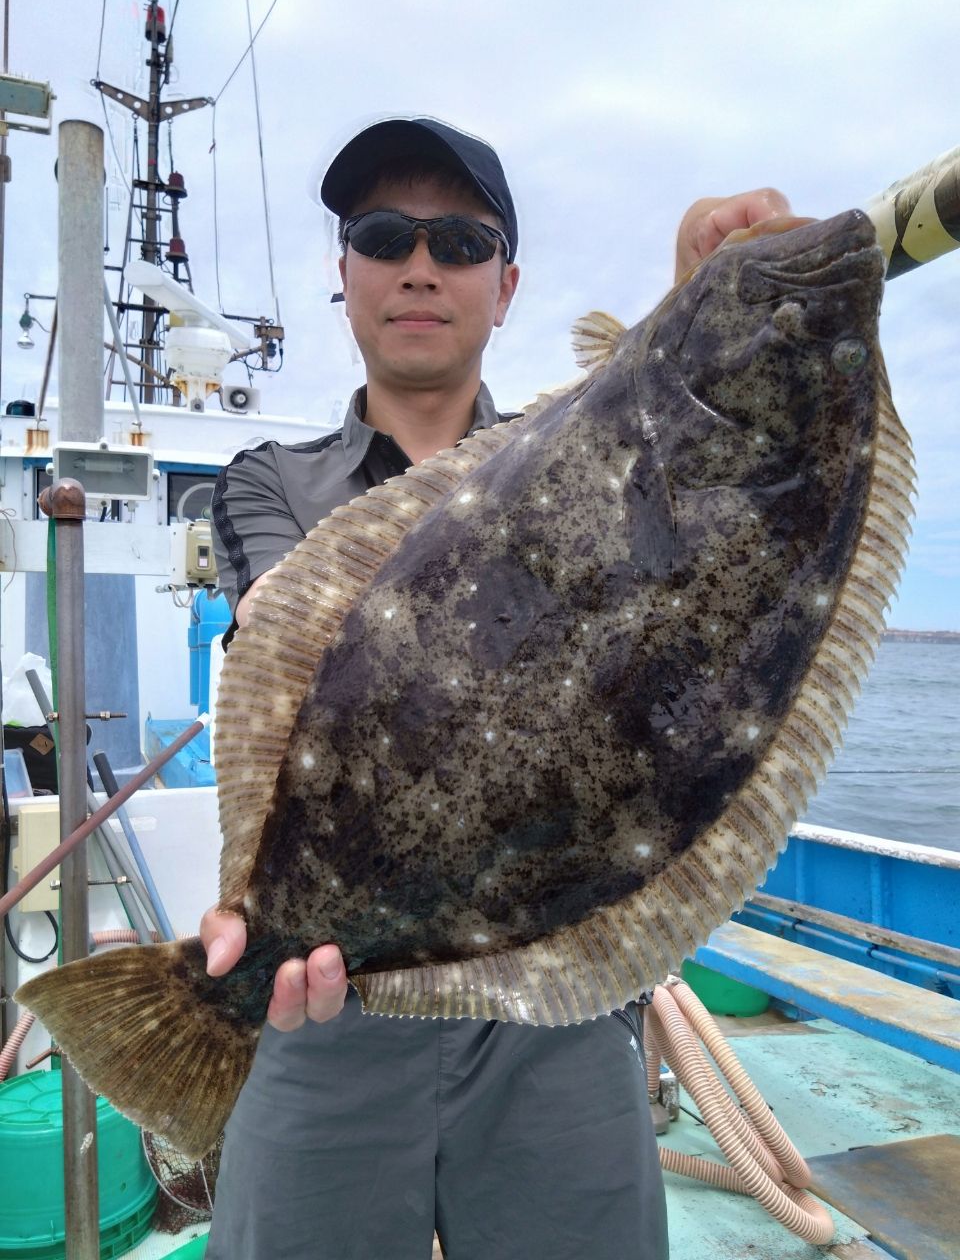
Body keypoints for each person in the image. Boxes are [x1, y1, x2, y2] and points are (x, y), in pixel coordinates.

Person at [205, 116, 790, 1260]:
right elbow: (286, 616)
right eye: (385, 234)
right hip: (329, 997)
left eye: (459, 242)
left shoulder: (577, 447)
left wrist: (692, 306)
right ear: (345, 273)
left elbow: (689, 458)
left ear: (506, 283)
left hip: (553, 1000)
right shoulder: (266, 481)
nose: (421, 265)